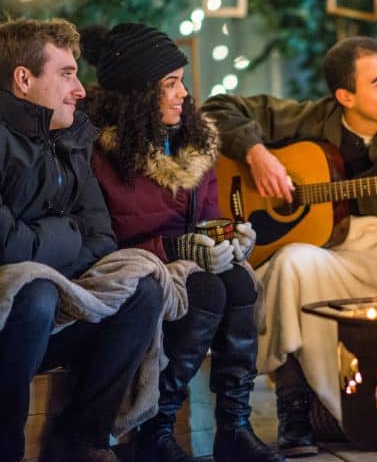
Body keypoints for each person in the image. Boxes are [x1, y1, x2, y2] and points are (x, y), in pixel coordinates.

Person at [201, 36, 377, 457]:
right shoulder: (305, 120)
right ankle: (296, 407)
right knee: (289, 264)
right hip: (320, 253)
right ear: (345, 95)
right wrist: (255, 153)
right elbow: (216, 108)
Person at [79, 23, 284, 462]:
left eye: (182, 81)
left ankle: (234, 425)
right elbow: (105, 241)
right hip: (143, 265)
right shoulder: (102, 153)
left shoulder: (195, 143)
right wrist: (174, 251)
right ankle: (155, 428)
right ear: (137, 94)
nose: (184, 94)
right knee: (207, 289)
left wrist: (231, 236)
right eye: (170, 84)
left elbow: (206, 218)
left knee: (241, 283)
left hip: (189, 259)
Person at [0, 18, 163, 462]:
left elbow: (103, 239)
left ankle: (83, 440)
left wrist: (54, 240)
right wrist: (69, 233)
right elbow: (2, 248)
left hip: (43, 319)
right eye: (66, 74)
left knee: (141, 288)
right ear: (23, 78)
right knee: (31, 292)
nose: (79, 89)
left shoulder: (71, 135)